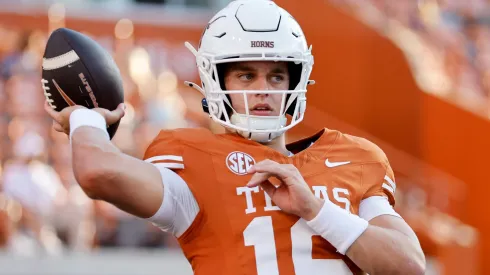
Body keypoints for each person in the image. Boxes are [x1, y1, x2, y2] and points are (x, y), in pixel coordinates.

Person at [44, 0, 425, 274]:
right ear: (215, 82)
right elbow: (97, 172)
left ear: (295, 82)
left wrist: (316, 210)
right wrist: (85, 119)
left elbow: (409, 265)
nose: (263, 89)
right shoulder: (192, 158)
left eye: (276, 76)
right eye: (246, 76)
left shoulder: (354, 158)